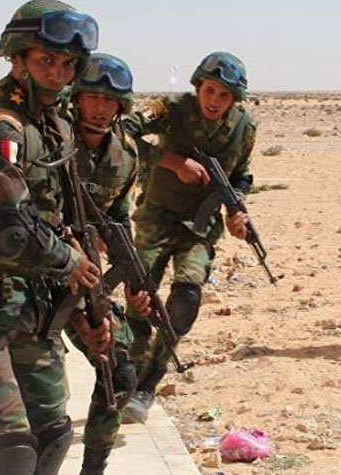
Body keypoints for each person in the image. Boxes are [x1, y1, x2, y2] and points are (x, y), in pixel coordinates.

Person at [0, 2, 105, 474]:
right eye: (46, 60)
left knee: (53, 437)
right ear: (17, 57)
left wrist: (85, 310)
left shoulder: (54, 124)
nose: (57, 73)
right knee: (10, 452)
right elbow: (14, 231)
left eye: (67, 64)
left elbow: (63, 222)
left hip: (34, 301)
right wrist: (72, 263)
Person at [120, 51, 257, 423]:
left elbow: (241, 177)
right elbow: (123, 132)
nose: (214, 100)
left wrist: (236, 211)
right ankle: (127, 372)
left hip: (199, 228)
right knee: (139, 296)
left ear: (234, 99)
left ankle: (149, 382)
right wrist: (172, 161)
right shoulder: (171, 109)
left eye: (224, 95)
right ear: (198, 86)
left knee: (186, 300)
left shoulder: (244, 127)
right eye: (209, 90)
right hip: (157, 216)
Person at [63, 52, 148, 475]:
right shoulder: (53, 141)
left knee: (120, 371)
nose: (100, 108)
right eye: (93, 97)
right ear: (76, 98)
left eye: (110, 100)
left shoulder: (125, 155)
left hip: (89, 277)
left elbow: (118, 218)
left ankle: (93, 468)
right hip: (36, 274)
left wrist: (133, 278)